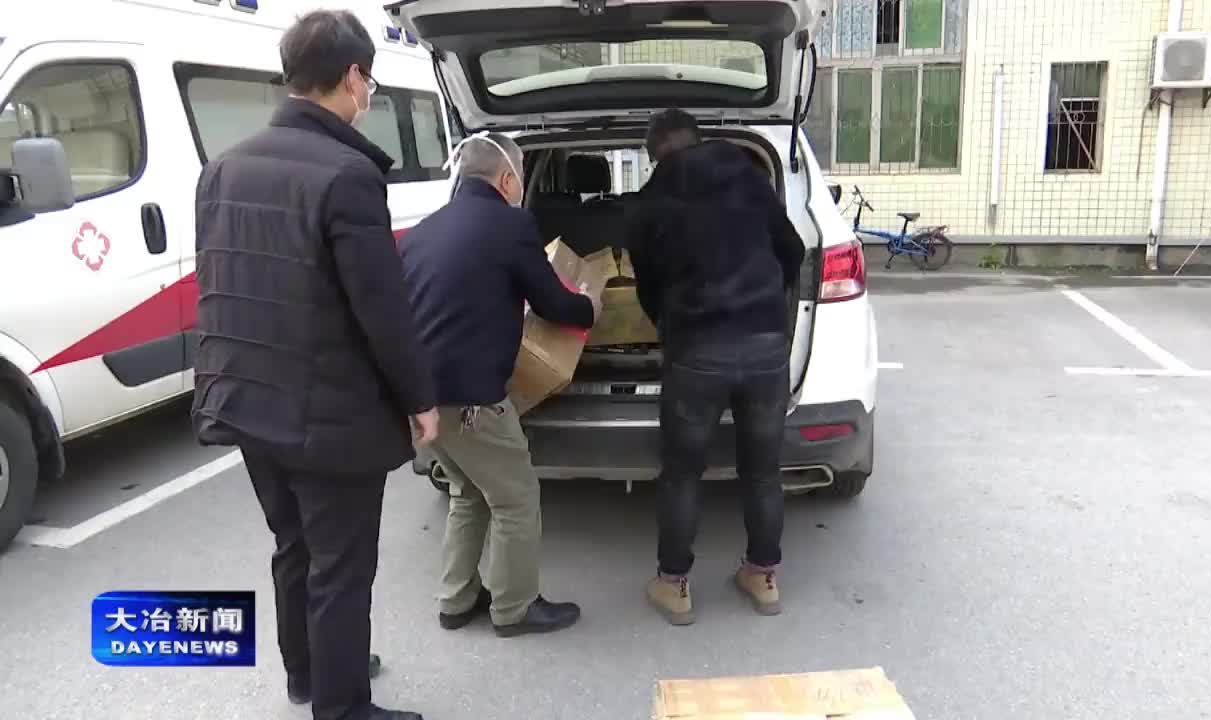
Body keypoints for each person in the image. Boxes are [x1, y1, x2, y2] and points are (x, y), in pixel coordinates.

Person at [191, 10, 435, 720]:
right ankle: (343, 706)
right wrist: (420, 399)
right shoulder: (348, 174)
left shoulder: (223, 167)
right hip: (328, 416)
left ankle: (310, 674)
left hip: (246, 399)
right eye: (370, 83)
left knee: (293, 545)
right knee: (341, 565)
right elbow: (381, 309)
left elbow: (223, 284)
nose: (369, 96)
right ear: (353, 78)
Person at [399, 132, 600, 638]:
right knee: (516, 498)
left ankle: (457, 599)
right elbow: (554, 303)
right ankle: (515, 607)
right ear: (507, 179)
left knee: (468, 491)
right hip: (473, 399)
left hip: (421, 398)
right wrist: (591, 308)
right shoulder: (511, 224)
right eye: (522, 177)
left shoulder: (423, 231)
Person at [626, 109, 805, 625]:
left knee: (683, 474)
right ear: (700, 139)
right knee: (763, 471)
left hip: (697, 351)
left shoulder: (648, 205)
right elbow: (792, 252)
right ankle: (763, 577)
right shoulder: (750, 180)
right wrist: (765, 304)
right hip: (766, 346)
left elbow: (648, 288)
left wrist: (671, 322)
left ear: (655, 155)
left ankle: (674, 585)